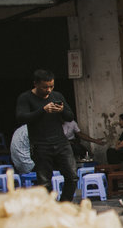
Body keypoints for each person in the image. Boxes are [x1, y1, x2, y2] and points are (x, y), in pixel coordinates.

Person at [14, 69, 77, 201]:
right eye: (45, 87)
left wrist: (62, 110)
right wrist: (42, 110)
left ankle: (65, 204)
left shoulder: (57, 96)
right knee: (44, 182)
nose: (48, 90)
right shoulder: (25, 98)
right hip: (40, 144)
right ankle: (51, 208)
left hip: (61, 142)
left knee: (72, 177)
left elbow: (70, 117)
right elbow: (21, 117)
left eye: (51, 86)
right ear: (35, 84)